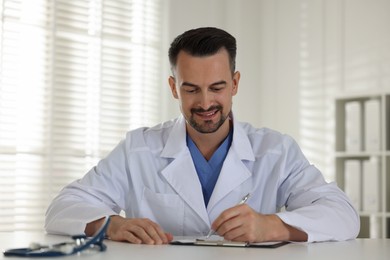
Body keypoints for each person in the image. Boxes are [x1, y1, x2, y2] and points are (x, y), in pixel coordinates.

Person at [45, 27, 360, 245]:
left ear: (235, 84)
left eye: (218, 88)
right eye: (191, 89)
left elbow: (343, 215)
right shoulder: (138, 149)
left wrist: (273, 226)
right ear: (173, 88)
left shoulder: (275, 150)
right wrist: (111, 225)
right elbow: (62, 207)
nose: (206, 103)